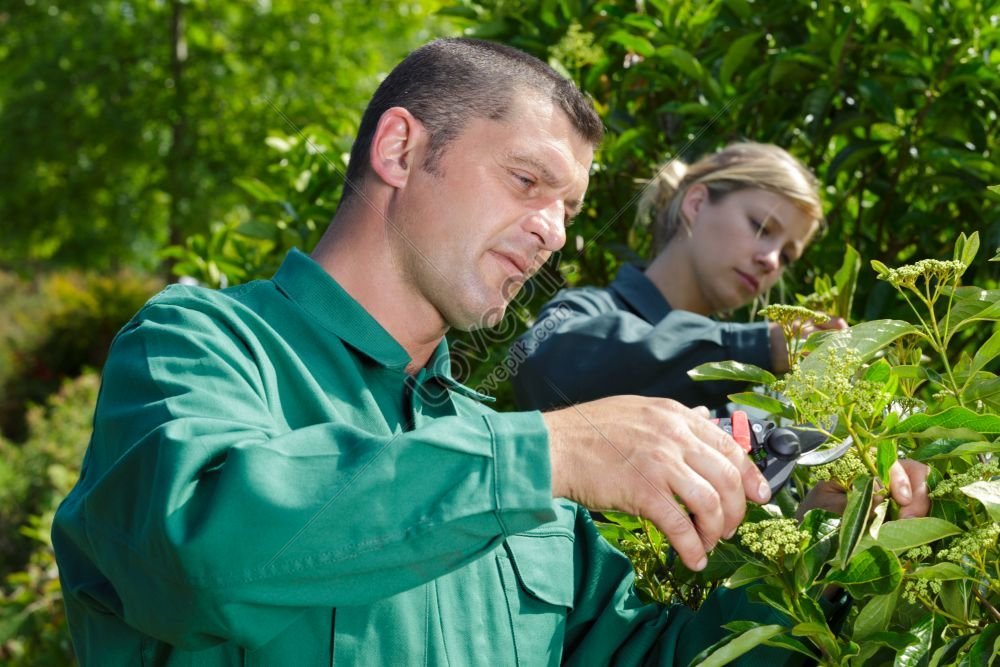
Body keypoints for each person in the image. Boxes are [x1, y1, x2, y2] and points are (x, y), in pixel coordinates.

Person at [51, 40, 927, 665]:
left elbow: (663, 654)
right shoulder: (198, 347)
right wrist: (548, 450)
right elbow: (200, 552)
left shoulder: (521, 472)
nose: (550, 230)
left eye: (570, 208)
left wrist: (839, 541)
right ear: (401, 148)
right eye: (526, 181)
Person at [511, 142, 847, 414]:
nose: (771, 260)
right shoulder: (581, 312)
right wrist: (757, 347)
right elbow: (544, 368)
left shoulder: (748, 398)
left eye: (787, 256)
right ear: (697, 203)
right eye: (761, 227)